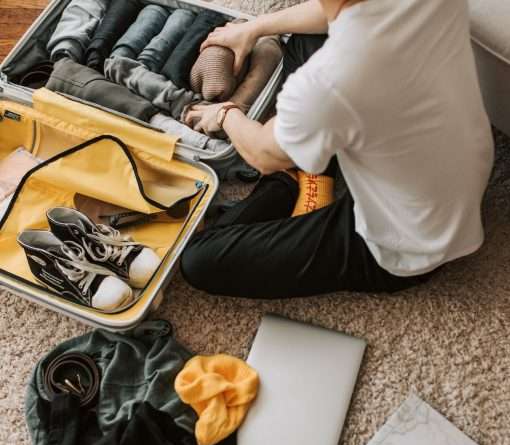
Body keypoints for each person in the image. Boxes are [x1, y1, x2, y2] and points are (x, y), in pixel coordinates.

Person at [180, 0, 494, 299]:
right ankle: (306, 165)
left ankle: (290, 182)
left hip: (410, 243)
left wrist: (224, 113)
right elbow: (335, 11)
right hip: (457, 171)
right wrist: (256, 27)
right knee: (306, 41)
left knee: (199, 258)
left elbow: (261, 156)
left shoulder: (328, 82)